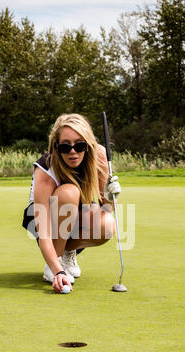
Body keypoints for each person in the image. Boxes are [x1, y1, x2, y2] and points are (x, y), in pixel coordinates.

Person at [22, 113, 121, 293]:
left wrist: (110, 194)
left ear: (88, 145)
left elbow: (106, 209)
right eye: (66, 147)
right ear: (56, 146)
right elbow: (43, 234)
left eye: (80, 145)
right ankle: (56, 262)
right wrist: (57, 271)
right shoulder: (46, 169)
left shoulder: (99, 155)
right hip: (40, 220)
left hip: (75, 212)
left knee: (107, 225)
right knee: (69, 192)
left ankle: (68, 253)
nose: (73, 151)